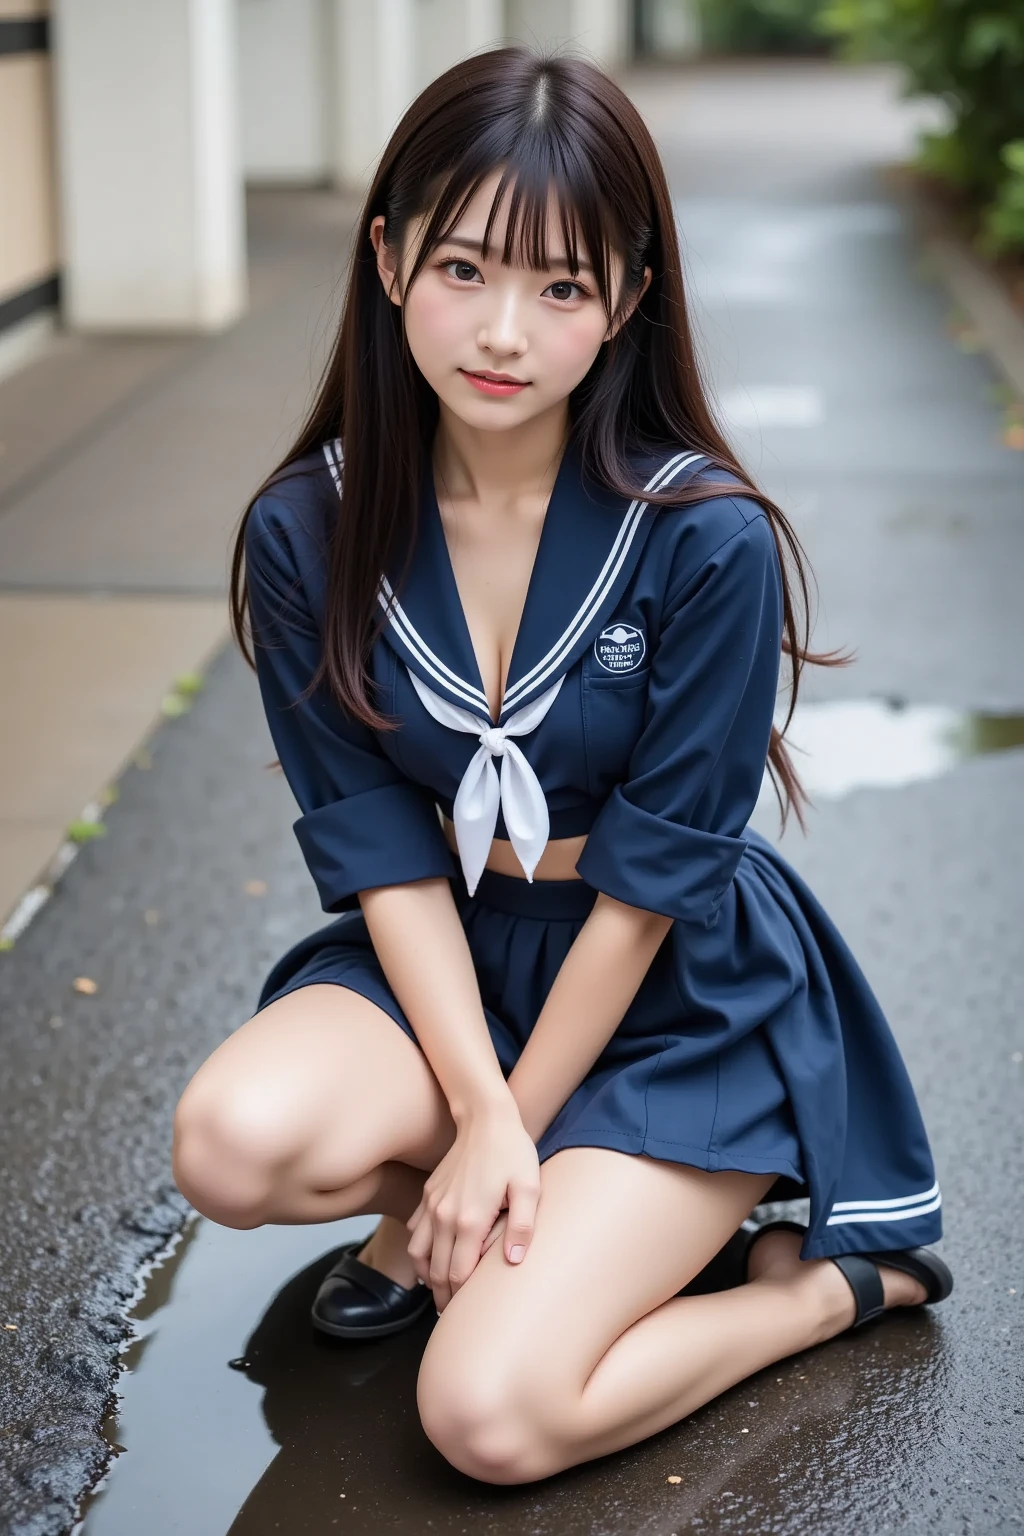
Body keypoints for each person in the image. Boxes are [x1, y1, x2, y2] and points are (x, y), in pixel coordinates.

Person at [171, 45, 952, 1486]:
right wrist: (481, 1114)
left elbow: (655, 882)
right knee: (228, 1144)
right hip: (455, 952)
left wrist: (500, 1131)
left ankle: (808, 1292)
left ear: (629, 301)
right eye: (465, 268)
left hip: (664, 992)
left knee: (489, 1418)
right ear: (390, 257)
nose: (505, 333)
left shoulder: (702, 541)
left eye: (563, 288)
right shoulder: (309, 529)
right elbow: (381, 846)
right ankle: (496, 1211)